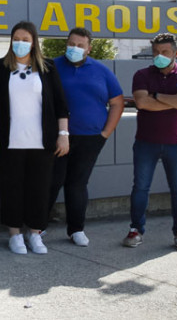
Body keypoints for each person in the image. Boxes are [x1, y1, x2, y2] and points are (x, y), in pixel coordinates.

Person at [0, 21, 68, 255]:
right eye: (16, 39)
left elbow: (61, 105)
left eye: (25, 39)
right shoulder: (1, 68)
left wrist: (63, 135)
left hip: (43, 142)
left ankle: (35, 234)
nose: (20, 43)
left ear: (34, 43)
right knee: (11, 188)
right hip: (10, 141)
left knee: (39, 189)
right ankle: (14, 235)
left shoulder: (47, 67)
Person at [123, 33, 177, 253]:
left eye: (165, 52)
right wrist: (175, 99)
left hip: (176, 144)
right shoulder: (142, 75)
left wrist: (157, 97)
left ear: (176, 53)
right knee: (140, 188)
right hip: (146, 143)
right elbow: (142, 102)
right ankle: (136, 230)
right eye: (156, 52)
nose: (159, 56)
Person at [48, 28, 123, 247]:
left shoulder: (102, 71)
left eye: (80, 45)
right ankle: (38, 227)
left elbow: (117, 102)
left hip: (91, 138)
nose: (75, 48)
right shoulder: (52, 67)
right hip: (57, 137)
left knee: (77, 184)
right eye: (72, 44)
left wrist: (105, 133)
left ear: (89, 48)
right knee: (52, 182)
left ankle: (76, 229)